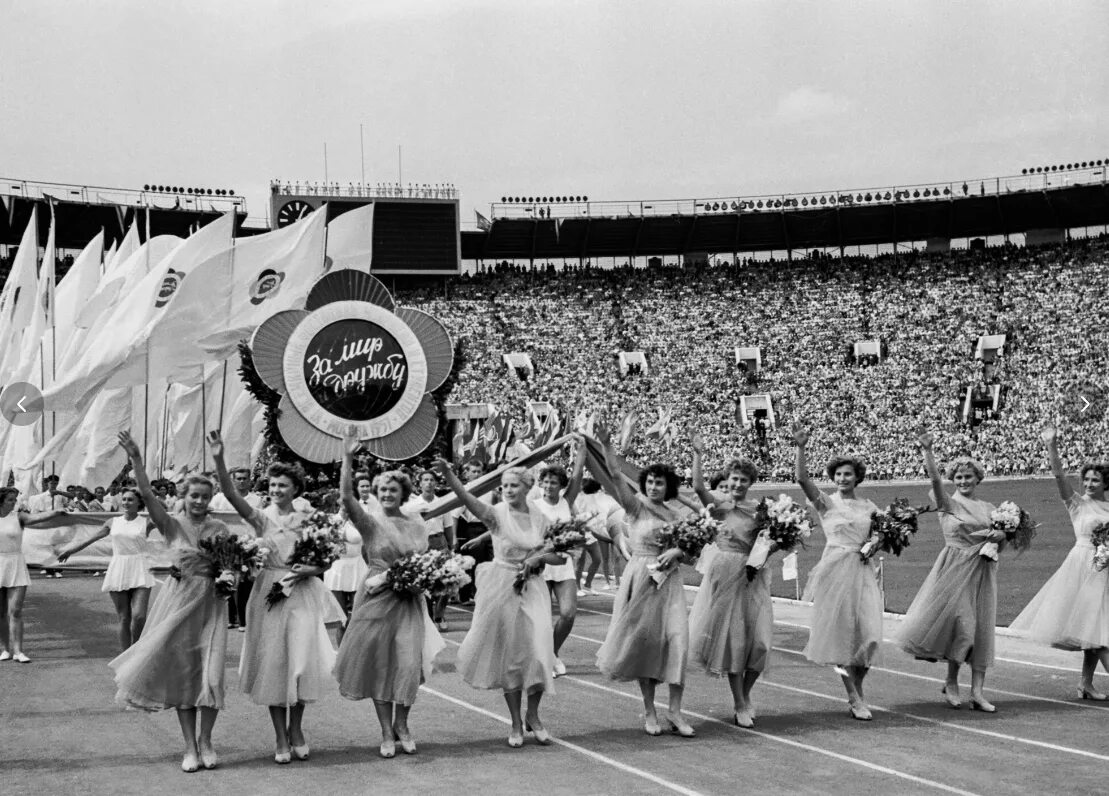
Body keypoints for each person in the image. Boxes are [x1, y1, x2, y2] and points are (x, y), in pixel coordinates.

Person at [209, 430, 344, 765]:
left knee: (299, 663)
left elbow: (327, 559)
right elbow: (229, 492)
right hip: (267, 592)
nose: (276, 490)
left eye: (282, 485)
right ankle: (280, 737)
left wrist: (306, 571)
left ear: (295, 488)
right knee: (275, 664)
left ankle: (296, 729)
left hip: (300, 592)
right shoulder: (260, 517)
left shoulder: (309, 519)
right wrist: (219, 458)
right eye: (272, 485)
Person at [109, 431, 231, 772]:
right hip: (180, 605)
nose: (199, 501)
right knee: (184, 675)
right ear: (184, 496)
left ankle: (207, 740)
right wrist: (135, 458)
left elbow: (232, 563)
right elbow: (146, 494)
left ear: (211, 498)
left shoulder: (220, 527)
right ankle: (189, 747)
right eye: (194, 495)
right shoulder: (171, 524)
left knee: (212, 675)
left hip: (212, 604)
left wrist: (230, 575)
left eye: (205, 496)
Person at [437, 458, 561, 748]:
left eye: (513, 485)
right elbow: (466, 498)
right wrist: (449, 474)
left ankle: (533, 715)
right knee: (513, 658)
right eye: (504, 485)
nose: (507, 489)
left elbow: (559, 554)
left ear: (527, 487)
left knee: (541, 653)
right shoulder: (495, 514)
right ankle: (516, 723)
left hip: (533, 589)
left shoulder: (540, 518)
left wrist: (539, 558)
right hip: (503, 586)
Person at [334, 436, 443, 758]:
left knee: (408, 665)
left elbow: (425, 560)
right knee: (380, 666)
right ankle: (385, 730)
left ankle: (403, 725)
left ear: (403, 493)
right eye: (382, 491)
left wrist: (425, 578)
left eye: (392, 490)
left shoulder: (417, 523)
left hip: (408, 601)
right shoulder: (370, 522)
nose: (386, 494)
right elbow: (346, 496)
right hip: (376, 598)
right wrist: (347, 458)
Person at [594, 427, 695, 738]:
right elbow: (613, 475)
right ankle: (649, 710)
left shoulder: (678, 516)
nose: (653, 486)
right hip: (641, 579)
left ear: (669, 486)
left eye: (659, 482)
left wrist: (678, 551)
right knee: (646, 645)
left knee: (678, 641)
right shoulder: (636, 507)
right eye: (650, 481)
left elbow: (692, 551)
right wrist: (608, 444)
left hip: (670, 584)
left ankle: (675, 711)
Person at [897, 432, 1002, 712]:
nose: (964, 481)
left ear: (978, 479)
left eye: (969, 477)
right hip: (954, 568)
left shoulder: (989, 508)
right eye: (959, 477)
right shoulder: (947, 503)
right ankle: (952, 680)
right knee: (964, 630)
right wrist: (928, 451)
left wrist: (1000, 537)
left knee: (981, 632)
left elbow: (1001, 538)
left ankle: (978, 692)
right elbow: (933, 480)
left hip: (983, 570)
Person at [1009, 425, 1109, 699]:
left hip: (1105, 569)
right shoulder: (1077, 504)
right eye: (1086, 479)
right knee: (1097, 629)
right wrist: (1051, 445)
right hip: (1082, 567)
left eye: (1095, 481)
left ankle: (1085, 684)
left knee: (1098, 627)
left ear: (1105, 484)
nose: (1088, 484)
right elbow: (1058, 475)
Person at [792, 421, 882, 721]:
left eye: (848, 474)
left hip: (864, 569)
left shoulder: (870, 506)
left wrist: (875, 543)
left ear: (857, 477)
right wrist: (802, 447)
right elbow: (802, 478)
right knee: (842, 637)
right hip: (835, 570)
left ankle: (856, 688)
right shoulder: (827, 503)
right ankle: (854, 697)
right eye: (838, 474)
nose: (843, 478)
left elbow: (880, 534)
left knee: (869, 638)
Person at [687, 434, 770, 728]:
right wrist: (697, 453)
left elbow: (768, 541)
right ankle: (739, 703)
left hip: (752, 575)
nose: (737, 485)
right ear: (728, 479)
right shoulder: (720, 505)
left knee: (759, 644)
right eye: (734, 479)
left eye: (743, 480)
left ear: (750, 483)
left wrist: (767, 551)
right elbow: (698, 487)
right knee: (735, 642)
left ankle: (745, 695)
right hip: (724, 573)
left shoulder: (760, 509)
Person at [58, 487, 157, 650]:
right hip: (119, 569)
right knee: (124, 618)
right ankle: (126, 656)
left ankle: (136, 650)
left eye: (130, 499)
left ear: (139, 502)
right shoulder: (113, 522)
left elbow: (168, 519)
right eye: (124, 499)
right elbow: (91, 538)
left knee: (139, 617)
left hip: (141, 568)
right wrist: (71, 550)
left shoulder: (147, 522)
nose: (126, 502)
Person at [532, 448, 585, 676]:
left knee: (568, 613)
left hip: (563, 565)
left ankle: (552, 653)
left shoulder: (566, 501)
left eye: (553, 482)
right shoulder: (533, 506)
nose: (548, 486)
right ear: (540, 483)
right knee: (542, 619)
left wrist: (581, 449)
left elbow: (578, 475)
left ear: (560, 485)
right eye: (545, 481)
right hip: (542, 565)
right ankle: (545, 659)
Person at [0, 488, 66, 663]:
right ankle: (5, 649)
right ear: (1, 501)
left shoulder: (19, 516)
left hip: (16, 564)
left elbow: (37, 518)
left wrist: (56, 512)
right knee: (1, 613)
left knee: (15, 610)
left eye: (14, 499)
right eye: (9, 500)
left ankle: (18, 651)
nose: (14, 503)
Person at [405, 470, 454, 630]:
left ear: (436, 483)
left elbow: (448, 526)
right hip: (421, 543)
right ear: (420, 484)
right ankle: (428, 616)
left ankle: (439, 615)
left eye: (432, 480)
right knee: (424, 581)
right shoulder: (412, 505)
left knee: (446, 579)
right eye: (425, 480)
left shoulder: (443, 503)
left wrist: (451, 545)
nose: (429, 483)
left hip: (439, 541)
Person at [452, 459, 492, 604]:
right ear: (467, 474)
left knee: (491, 562)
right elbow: (455, 515)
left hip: (490, 528)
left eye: (479, 471)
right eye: (473, 471)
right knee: (475, 563)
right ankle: (470, 595)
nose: (476, 474)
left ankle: (485, 593)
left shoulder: (490, 489)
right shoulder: (464, 490)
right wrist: (454, 536)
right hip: (473, 529)